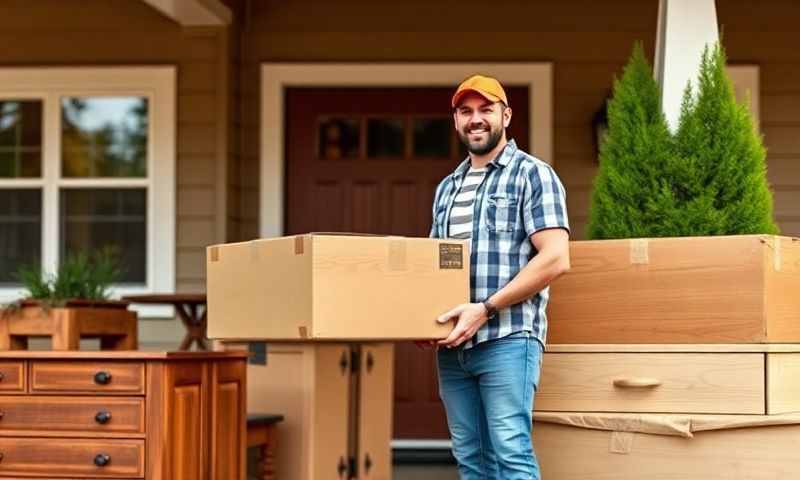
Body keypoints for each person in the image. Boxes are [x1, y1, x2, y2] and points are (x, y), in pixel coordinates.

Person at [428, 74, 570, 479]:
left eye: (486, 110)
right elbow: (436, 265)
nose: (476, 119)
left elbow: (556, 258)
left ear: (506, 115)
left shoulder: (532, 175)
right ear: (456, 121)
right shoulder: (447, 188)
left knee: (510, 453)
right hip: (453, 346)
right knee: (470, 458)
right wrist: (421, 318)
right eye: (465, 111)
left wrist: (485, 309)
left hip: (508, 338)